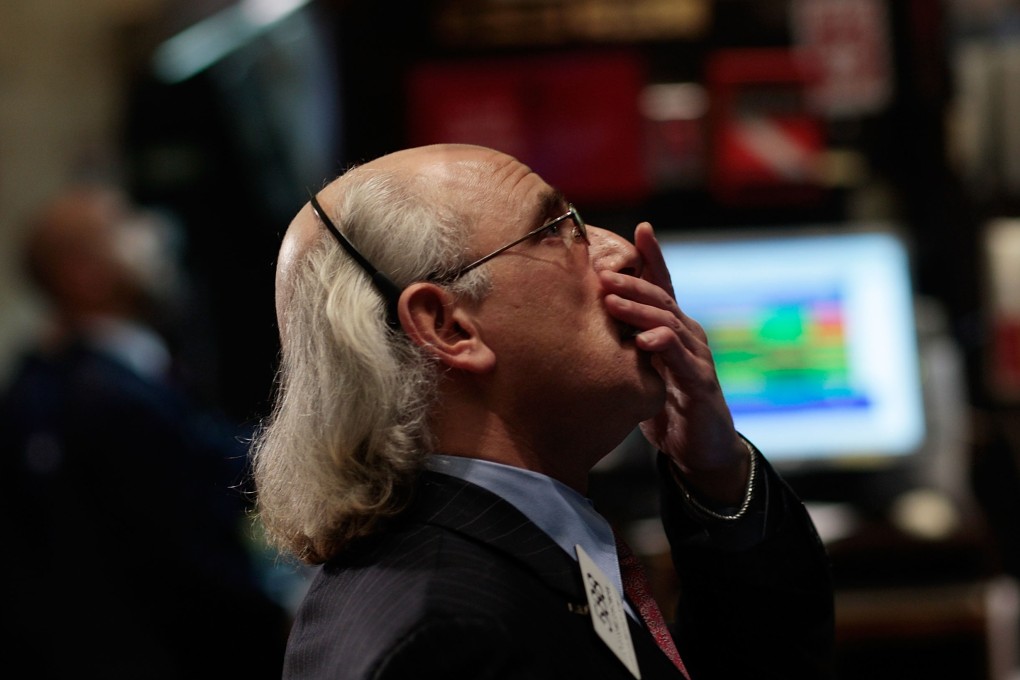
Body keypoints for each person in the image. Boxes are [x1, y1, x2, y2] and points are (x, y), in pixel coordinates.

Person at [251, 143, 834, 679]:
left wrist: (715, 477)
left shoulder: (503, 549)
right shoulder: (445, 641)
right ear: (448, 326)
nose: (621, 248)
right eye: (558, 230)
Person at [0, 183, 289, 678]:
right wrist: (278, 618)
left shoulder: (102, 375)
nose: (156, 234)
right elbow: (185, 557)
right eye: (125, 225)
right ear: (81, 273)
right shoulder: (104, 400)